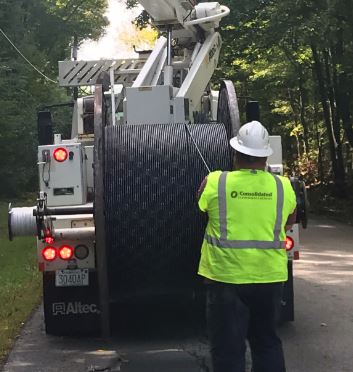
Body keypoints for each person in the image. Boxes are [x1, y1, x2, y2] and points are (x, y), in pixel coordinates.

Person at [197, 120, 297, 372]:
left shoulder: (216, 181)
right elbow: (290, 219)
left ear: (236, 154)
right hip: (269, 278)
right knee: (267, 343)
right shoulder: (283, 185)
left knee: (228, 349)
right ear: (265, 156)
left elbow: (200, 209)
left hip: (225, 278)